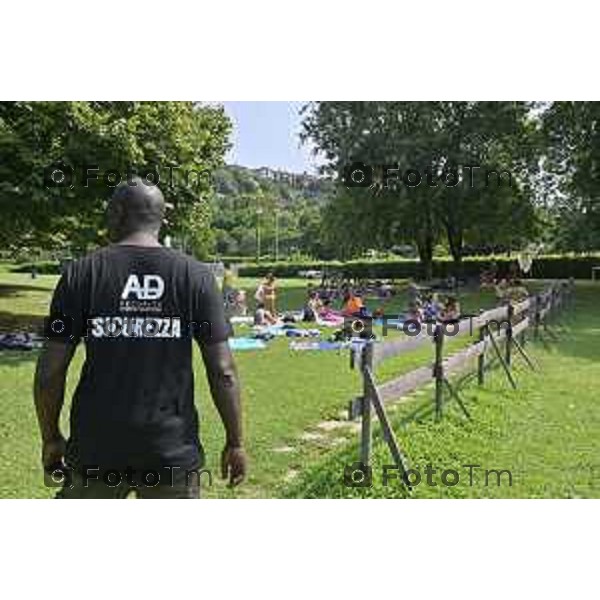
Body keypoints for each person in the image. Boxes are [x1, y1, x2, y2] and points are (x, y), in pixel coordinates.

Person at [34, 178, 247, 499]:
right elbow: (223, 371)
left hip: (96, 451)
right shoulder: (197, 277)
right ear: (162, 219)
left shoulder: (80, 274)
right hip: (171, 452)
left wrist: (50, 437)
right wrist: (235, 442)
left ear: (118, 213)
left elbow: (50, 371)